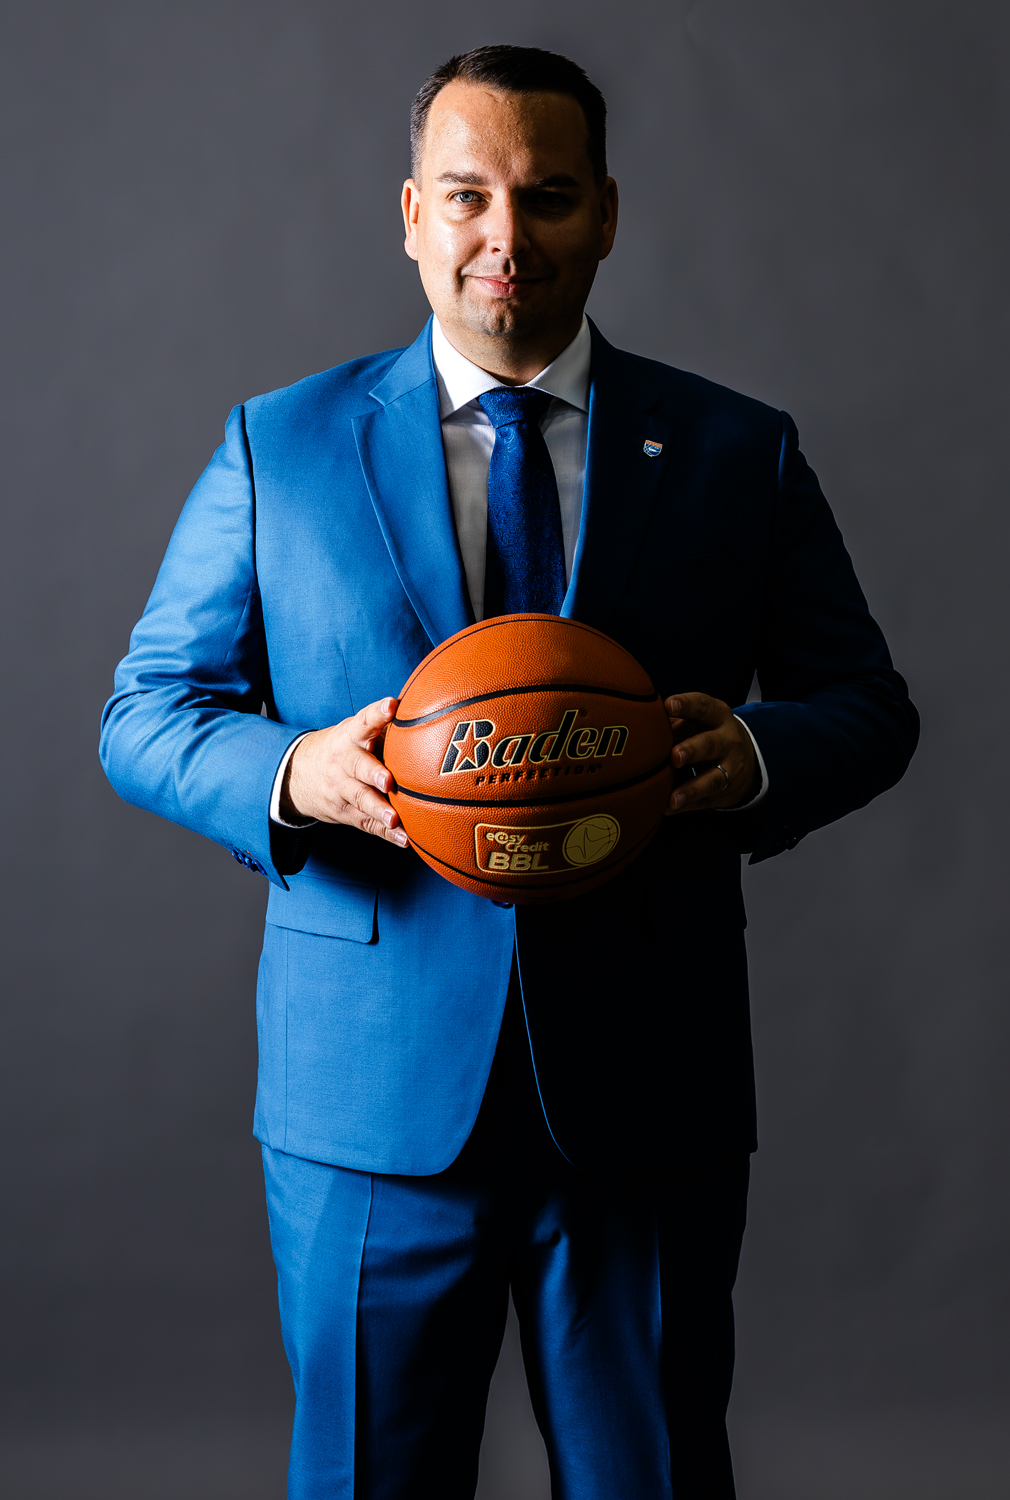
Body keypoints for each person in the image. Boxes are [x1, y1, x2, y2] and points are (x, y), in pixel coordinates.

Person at [100, 44, 918, 1500]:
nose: (505, 235)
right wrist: (293, 772)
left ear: (605, 214)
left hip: (644, 1087)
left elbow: (865, 704)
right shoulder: (278, 447)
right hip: (366, 1098)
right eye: (468, 196)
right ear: (410, 213)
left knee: (652, 1478)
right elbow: (147, 710)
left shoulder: (736, 452)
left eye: (545, 198)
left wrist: (747, 756)